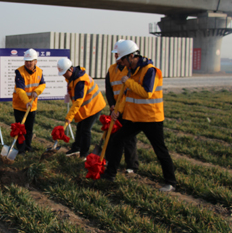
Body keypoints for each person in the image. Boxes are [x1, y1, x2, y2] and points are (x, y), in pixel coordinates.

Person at [102, 40, 177, 192]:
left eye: (122, 59)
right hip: (134, 118)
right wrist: (118, 110)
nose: (121, 62)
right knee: (117, 139)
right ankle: (110, 174)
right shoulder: (131, 71)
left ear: (131, 56)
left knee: (160, 149)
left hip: (151, 118)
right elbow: (126, 95)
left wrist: (128, 82)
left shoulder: (150, 70)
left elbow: (146, 92)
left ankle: (171, 182)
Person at [57, 58, 106, 161]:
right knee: (80, 128)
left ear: (70, 69)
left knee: (85, 130)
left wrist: (69, 116)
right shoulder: (73, 77)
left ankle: (84, 154)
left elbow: (79, 101)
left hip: (94, 106)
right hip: (87, 107)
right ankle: (76, 149)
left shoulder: (80, 80)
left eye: (64, 73)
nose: (63, 75)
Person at [105, 39, 139, 173]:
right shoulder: (112, 69)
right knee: (111, 135)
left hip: (128, 108)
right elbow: (109, 89)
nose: (116, 58)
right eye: (115, 55)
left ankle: (131, 166)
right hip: (115, 109)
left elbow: (128, 91)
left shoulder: (130, 69)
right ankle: (109, 160)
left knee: (129, 139)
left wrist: (119, 109)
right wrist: (112, 106)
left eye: (118, 55)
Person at [12, 49, 46, 154]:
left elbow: (42, 84)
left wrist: (37, 91)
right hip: (20, 105)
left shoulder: (40, 72)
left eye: (30, 61)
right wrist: (27, 102)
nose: (28, 63)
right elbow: (20, 89)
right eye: (26, 61)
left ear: (35, 61)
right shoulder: (19, 72)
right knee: (20, 129)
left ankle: (28, 147)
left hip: (32, 106)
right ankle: (21, 149)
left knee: (29, 129)